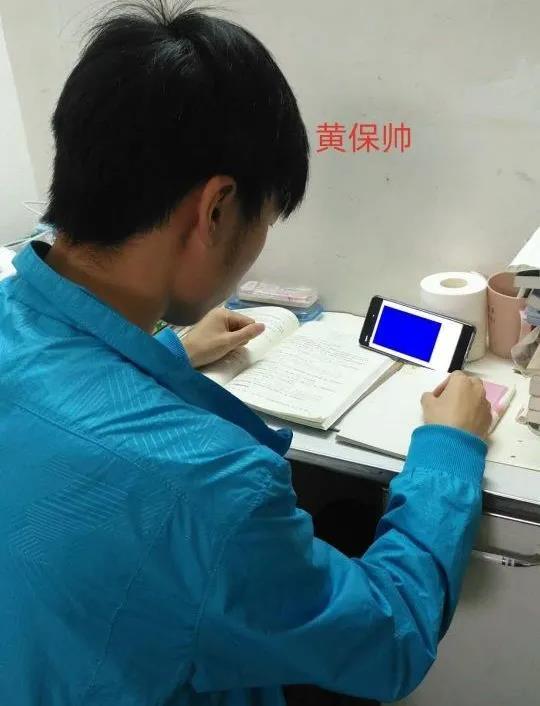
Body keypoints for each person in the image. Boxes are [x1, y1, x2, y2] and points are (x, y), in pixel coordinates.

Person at [0, 2, 492, 705]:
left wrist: (167, 352)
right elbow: (389, 641)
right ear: (216, 210)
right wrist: (448, 452)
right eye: (266, 219)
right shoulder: (210, 484)